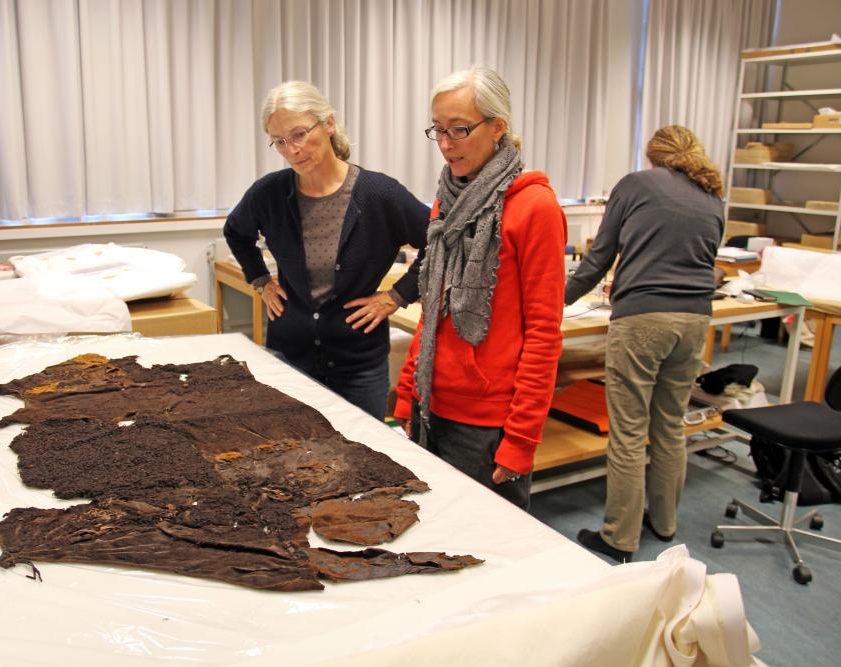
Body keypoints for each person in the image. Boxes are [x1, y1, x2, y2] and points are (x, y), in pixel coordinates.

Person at [394, 66, 566, 510]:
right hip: (431, 406)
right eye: (439, 130)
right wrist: (408, 390)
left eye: (460, 129)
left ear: (498, 127)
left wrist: (522, 438)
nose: (447, 144)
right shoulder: (445, 200)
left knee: (489, 556)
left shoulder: (535, 208)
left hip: (487, 426)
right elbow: (433, 308)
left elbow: (545, 334)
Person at [564, 125, 725, 563]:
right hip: (695, 320)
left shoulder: (636, 184)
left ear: (653, 155)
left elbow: (600, 256)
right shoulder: (713, 197)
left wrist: (559, 298)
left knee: (630, 432)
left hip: (644, 319)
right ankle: (665, 522)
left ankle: (619, 538)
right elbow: (707, 263)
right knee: (670, 424)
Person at [224, 81, 429, 421]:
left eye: (300, 134)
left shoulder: (379, 194)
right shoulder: (269, 193)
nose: (291, 149)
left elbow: (440, 243)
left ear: (329, 124)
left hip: (358, 365)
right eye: (279, 141)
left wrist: (397, 295)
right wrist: (260, 280)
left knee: (365, 459)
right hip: (289, 359)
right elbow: (236, 232)